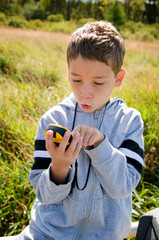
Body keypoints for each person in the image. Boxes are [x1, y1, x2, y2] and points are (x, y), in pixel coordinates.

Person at [18, 21, 144, 240]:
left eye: (97, 82)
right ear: (68, 73)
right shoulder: (53, 120)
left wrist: (101, 147)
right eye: (76, 80)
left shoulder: (129, 122)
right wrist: (59, 166)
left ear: (118, 79)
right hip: (46, 234)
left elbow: (123, 186)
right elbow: (44, 195)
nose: (85, 92)